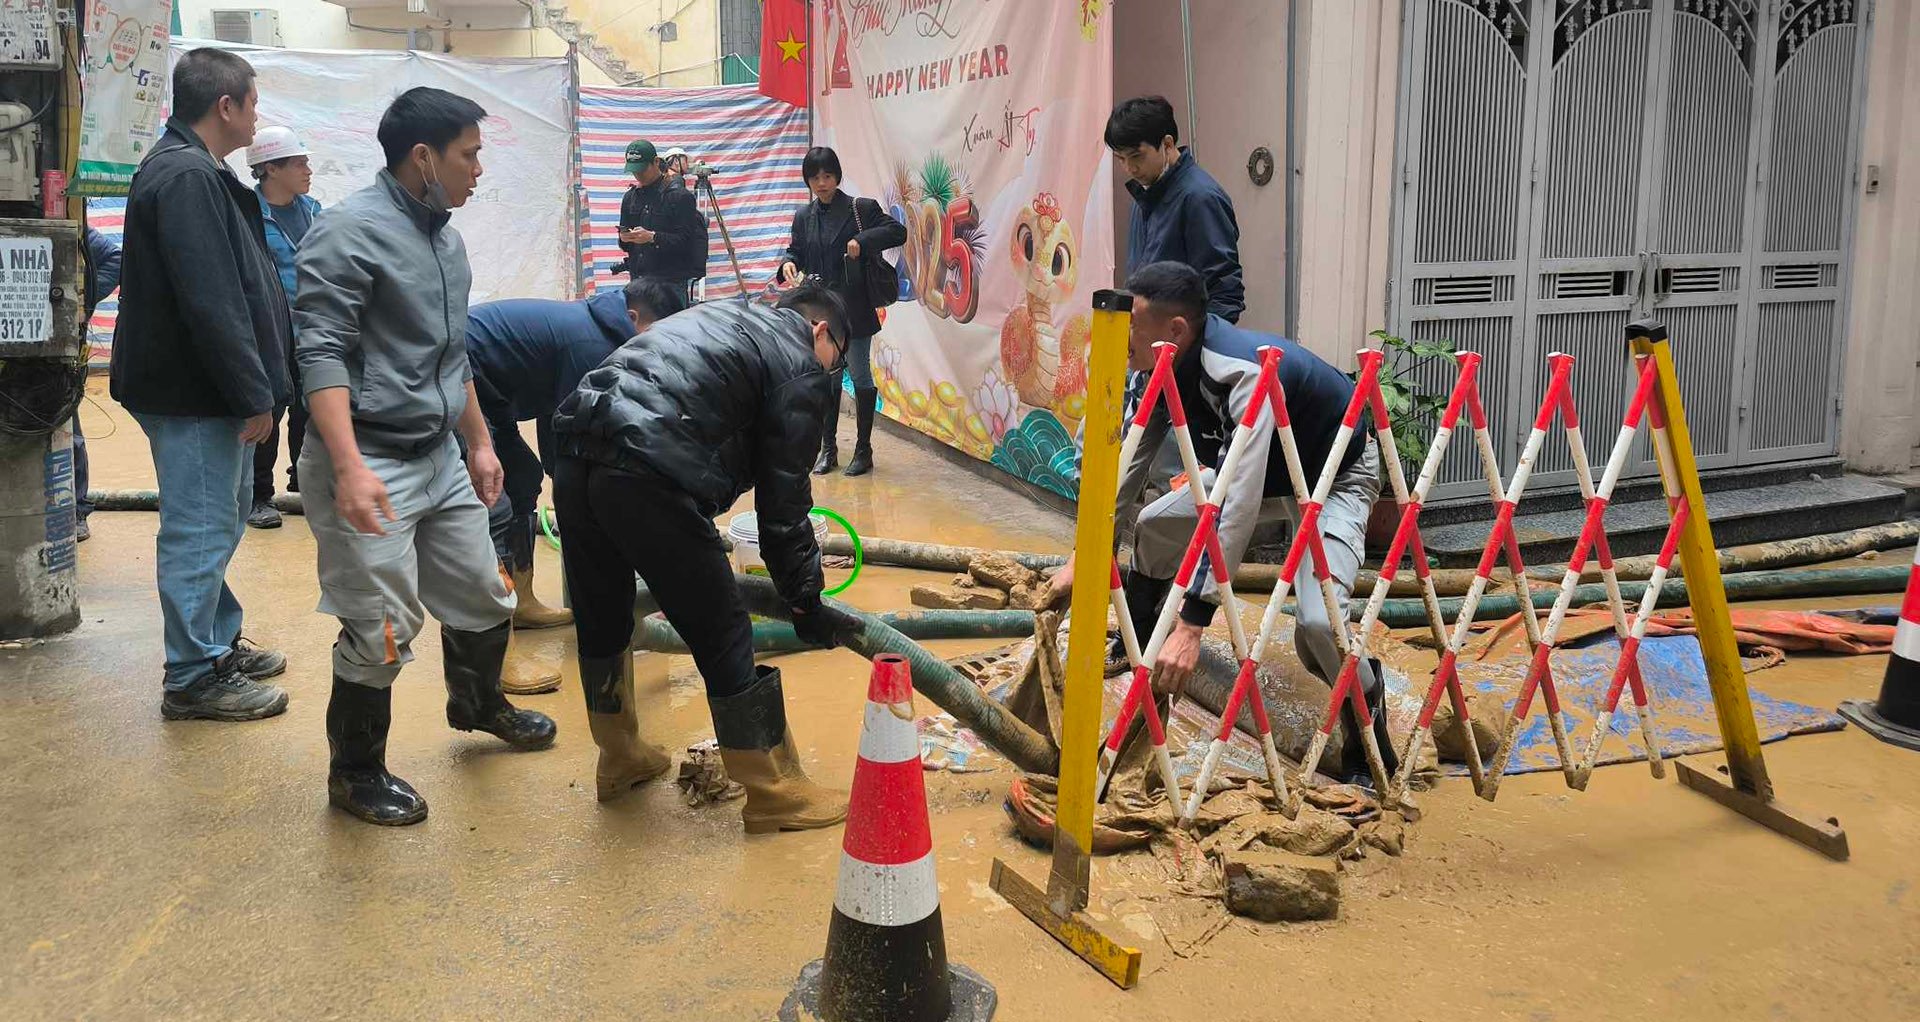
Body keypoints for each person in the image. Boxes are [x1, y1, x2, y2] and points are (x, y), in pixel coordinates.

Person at [295, 86, 557, 827]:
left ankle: (476, 704)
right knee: (380, 625)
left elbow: (453, 354)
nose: (479, 169)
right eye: (469, 154)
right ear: (423, 158)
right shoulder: (347, 235)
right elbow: (319, 357)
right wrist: (347, 467)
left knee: (483, 592)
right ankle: (355, 773)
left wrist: (477, 441)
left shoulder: (445, 235)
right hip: (369, 456)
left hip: (439, 453)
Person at [1045, 262, 1390, 783]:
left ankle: (1368, 725)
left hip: (1333, 476)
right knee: (1156, 525)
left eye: (1133, 325)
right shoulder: (1160, 368)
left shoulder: (1241, 373)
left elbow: (1234, 505)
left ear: (1175, 329)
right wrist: (1084, 553)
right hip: (1268, 474)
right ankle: (1138, 643)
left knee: (1319, 627)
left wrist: (1191, 625)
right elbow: (1128, 469)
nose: (1123, 338)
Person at [550, 281, 849, 830]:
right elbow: (783, 504)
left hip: (573, 449)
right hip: (645, 467)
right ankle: (773, 791)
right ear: (821, 330)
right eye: (836, 363)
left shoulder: (727, 316)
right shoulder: (799, 359)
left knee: (603, 611)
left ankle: (619, 756)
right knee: (723, 626)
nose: (830, 375)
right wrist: (805, 600)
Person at [108, 47, 292, 722]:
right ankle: (192, 677)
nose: (256, 114)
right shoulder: (185, 176)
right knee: (200, 527)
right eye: (253, 101)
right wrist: (252, 393)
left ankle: (214, 645)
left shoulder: (195, 169)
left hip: (204, 389)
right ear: (227, 106)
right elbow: (210, 300)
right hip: (194, 394)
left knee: (218, 518)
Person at [465, 277, 689, 694]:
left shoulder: (599, 327)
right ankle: (495, 655)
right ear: (635, 317)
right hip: (458, 379)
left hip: (492, 390)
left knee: (523, 478)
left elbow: (560, 414)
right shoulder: (592, 344)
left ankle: (523, 601)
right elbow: (575, 428)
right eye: (658, 334)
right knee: (491, 503)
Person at [776, 146, 906, 477]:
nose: (821, 183)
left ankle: (863, 451)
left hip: (856, 308)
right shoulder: (804, 217)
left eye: (827, 176)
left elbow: (897, 232)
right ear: (807, 180)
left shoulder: (859, 208)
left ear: (837, 177)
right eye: (815, 177)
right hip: (822, 311)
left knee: (860, 373)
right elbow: (796, 252)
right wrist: (788, 264)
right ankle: (828, 449)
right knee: (827, 378)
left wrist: (862, 240)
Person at [244, 125, 324, 528]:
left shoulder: (315, 211)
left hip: (312, 330)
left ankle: (303, 482)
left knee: (310, 411)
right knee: (268, 413)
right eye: (299, 162)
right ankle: (259, 495)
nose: (308, 169)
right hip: (269, 333)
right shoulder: (250, 215)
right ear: (271, 169)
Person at [1106, 96, 1245, 324]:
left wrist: (1198, 349)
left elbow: (1223, 293)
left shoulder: (1200, 197)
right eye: (1120, 158)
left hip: (1182, 345)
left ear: (1167, 144)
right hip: (1149, 338)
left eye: (1136, 156)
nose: (1129, 168)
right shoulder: (1143, 194)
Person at [72, 225, 122, 544]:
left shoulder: (69, 222)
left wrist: (79, 297)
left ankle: (76, 510)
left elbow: (116, 258)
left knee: (65, 427)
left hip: (56, 345)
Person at [615, 138, 708, 301]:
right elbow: (626, 245)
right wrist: (624, 238)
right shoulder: (630, 197)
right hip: (638, 283)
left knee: (671, 327)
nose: (638, 175)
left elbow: (686, 242)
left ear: (656, 162)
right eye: (634, 170)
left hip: (670, 286)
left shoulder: (680, 197)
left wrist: (653, 237)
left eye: (642, 169)